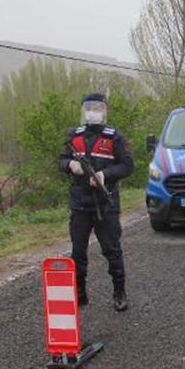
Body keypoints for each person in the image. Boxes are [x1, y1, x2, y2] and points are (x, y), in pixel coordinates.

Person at [59, 93, 134, 311]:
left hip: (106, 204)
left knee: (112, 250)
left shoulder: (115, 137)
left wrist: (105, 175)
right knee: (78, 253)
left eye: (97, 108)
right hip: (79, 204)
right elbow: (61, 159)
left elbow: (127, 166)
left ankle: (119, 292)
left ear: (104, 111)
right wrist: (69, 165)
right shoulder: (74, 135)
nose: (92, 111)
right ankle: (80, 293)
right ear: (83, 110)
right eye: (88, 107)